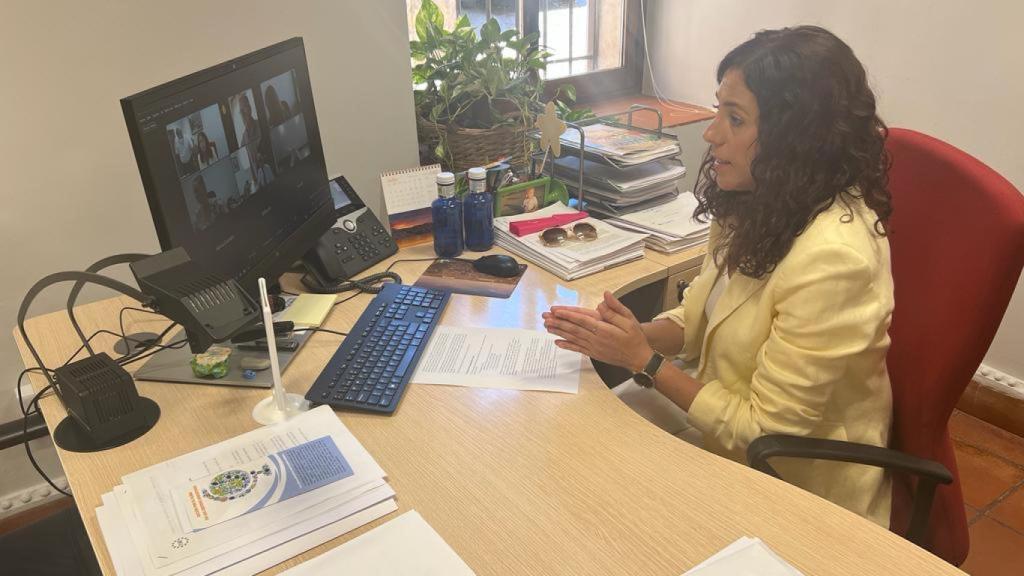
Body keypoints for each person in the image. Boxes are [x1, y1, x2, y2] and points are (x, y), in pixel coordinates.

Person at [542, 26, 895, 527]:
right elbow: (700, 314)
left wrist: (642, 360)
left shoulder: (836, 260)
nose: (711, 134)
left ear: (795, 136)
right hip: (719, 418)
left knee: (603, 512)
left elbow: (764, 433)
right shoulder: (759, 201)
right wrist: (634, 335)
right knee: (575, 452)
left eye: (735, 119)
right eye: (718, 111)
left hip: (796, 482)